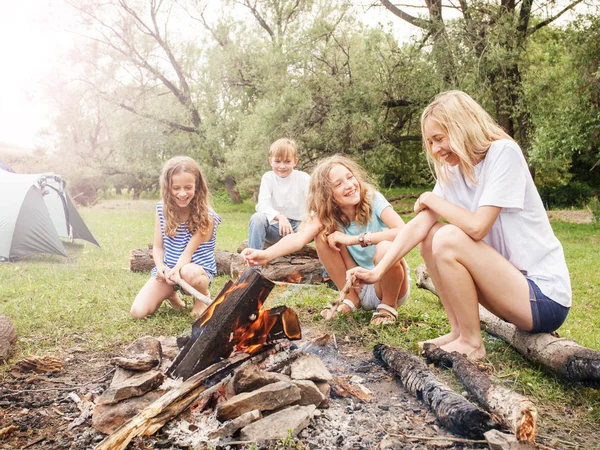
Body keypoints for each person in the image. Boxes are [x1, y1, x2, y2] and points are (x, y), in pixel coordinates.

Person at [348, 90, 571, 360]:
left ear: (462, 127)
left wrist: (431, 198)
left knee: (448, 237)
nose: (435, 150)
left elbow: (478, 227)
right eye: (430, 142)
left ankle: (472, 342)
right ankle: (458, 332)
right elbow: (418, 226)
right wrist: (378, 270)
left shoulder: (503, 152)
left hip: (543, 298)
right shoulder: (453, 171)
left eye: (440, 139)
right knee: (430, 234)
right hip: (507, 289)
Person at [242, 154, 411, 325]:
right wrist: (265, 254)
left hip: (388, 284)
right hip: (357, 284)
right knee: (322, 237)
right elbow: (300, 237)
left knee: (384, 248)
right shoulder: (327, 214)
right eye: (338, 184)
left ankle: (387, 307)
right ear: (327, 195)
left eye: (350, 177)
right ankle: (351, 300)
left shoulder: (372, 198)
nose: (349, 185)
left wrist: (353, 239)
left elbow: (403, 232)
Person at [130, 156, 221, 319]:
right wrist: (160, 267)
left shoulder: (207, 216)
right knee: (138, 312)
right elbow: (158, 247)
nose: (182, 193)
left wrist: (176, 271)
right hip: (170, 271)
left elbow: (188, 253)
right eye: (176, 188)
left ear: (197, 186)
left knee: (189, 272)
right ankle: (171, 294)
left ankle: (202, 297)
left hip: (195, 271)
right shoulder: (161, 209)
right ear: (167, 187)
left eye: (188, 187)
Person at [247, 138, 311, 251]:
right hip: (276, 228)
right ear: (270, 161)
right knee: (257, 218)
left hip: (299, 229)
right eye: (277, 161)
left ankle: (330, 267)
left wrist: (306, 222)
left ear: (295, 162)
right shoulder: (268, 177)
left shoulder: (304, 178)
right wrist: (280, 217)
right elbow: (262, 205)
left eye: (287, 161)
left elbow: (314, 204)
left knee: (325, 222)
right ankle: (254, 264)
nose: (282, 166)